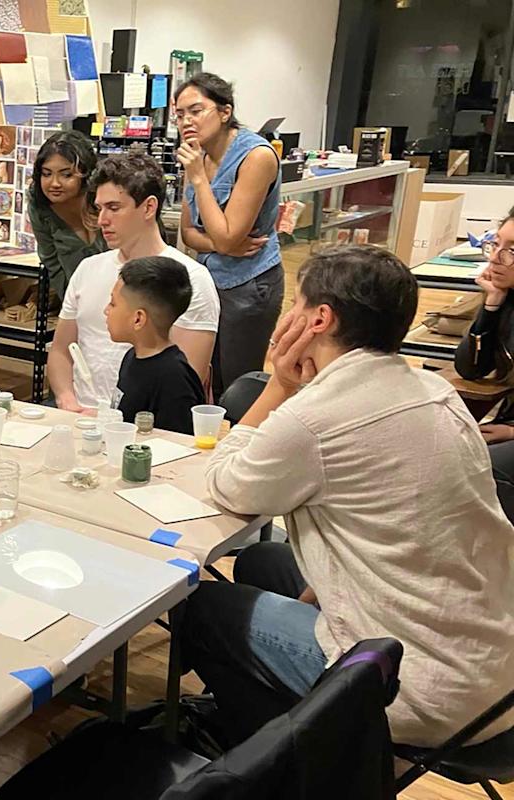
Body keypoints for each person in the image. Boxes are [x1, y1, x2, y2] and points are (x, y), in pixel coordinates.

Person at [184, 245, 514, 749]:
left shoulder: (316, 417)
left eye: (296, 304)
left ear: (319, 318)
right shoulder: (433, 389)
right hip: (492, 669)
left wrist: (279, 385)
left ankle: (273, 756)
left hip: (416, 686)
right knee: (265, 560)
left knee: (201, 606)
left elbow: (225, 481)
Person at [48, 153, 219, 413]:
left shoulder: (189, 279)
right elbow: (61, 350)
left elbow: (185, 380)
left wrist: (116, 419)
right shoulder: (88, 269)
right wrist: (66, 400)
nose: (102, 219)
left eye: (114, 208)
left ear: (149, 208)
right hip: (81, 416)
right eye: (99, 208)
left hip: (145, 426)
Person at [177, 72, 282, 397]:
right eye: (180, 115)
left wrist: (197, 178)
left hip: (250, 285)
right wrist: (222, 245)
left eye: (196, 111)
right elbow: (188, 233)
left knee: (239, 387)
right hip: (210, 281)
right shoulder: (199, 154)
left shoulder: (256, 156)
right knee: (208, 380)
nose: (186, 122)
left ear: (225, 112)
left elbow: (226, 237)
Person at [454, 207, 514, 522]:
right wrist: (491, 304)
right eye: (495, 245)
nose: (495, 258)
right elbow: (470, 369)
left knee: (481, 469)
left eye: (511, 251)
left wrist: (510, 430)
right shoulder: (508, 300)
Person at [103, 257, 205, 433]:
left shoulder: (174, 379)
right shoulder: (131, 356)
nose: (106, 310)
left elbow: (178, 446)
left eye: (113, 303)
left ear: (138, 319)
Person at [26, 130, 104, 299]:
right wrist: (71, 305)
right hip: (76, 303)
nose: (54, 183)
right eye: (47, 174)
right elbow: (51, 262)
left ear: (85, 174)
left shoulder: (105, 199)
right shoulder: (39, 204)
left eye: (66, 175)